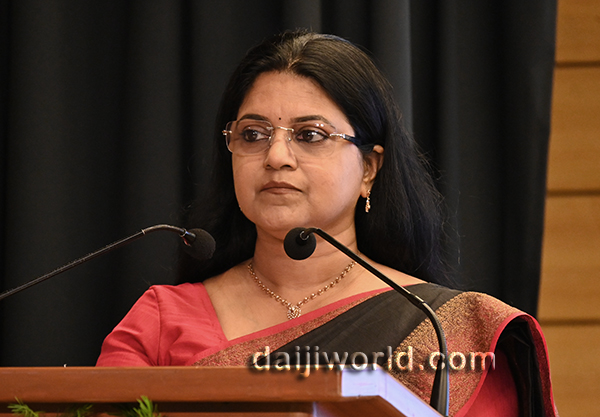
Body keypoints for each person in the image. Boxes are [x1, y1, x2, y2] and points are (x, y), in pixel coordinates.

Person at [97, 31, 557, 416]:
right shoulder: (161, 320)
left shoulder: (448, 330)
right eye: (253, 134)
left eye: (310, 135)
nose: (276, 157)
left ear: (369, 168)